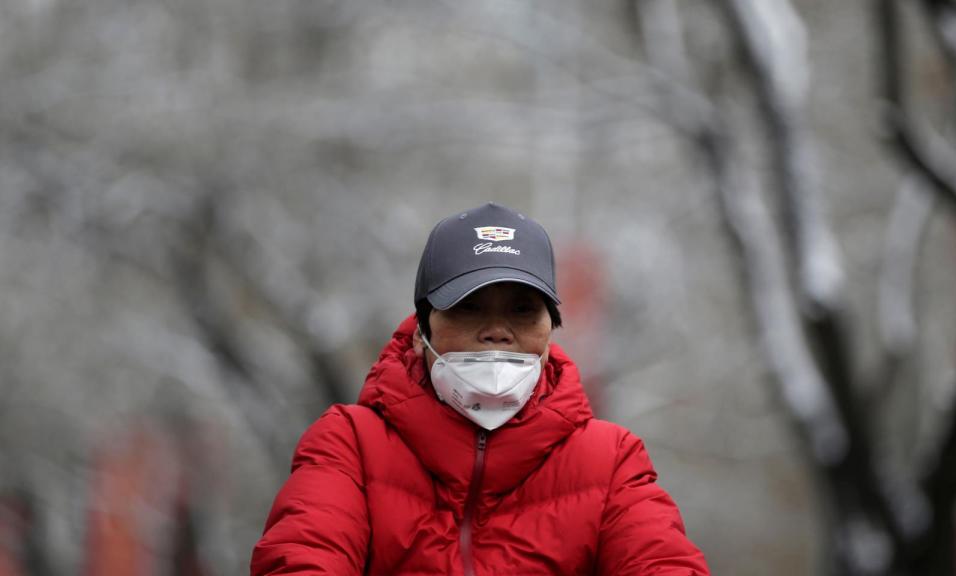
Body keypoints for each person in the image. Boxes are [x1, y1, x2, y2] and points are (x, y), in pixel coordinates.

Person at [251, 202, 710, 575]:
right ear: (420, 328)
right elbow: (300, 561)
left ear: (551, 331)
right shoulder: (349, 444)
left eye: (522, 310)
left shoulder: (610, 461)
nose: (496, 330)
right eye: (468, 308)